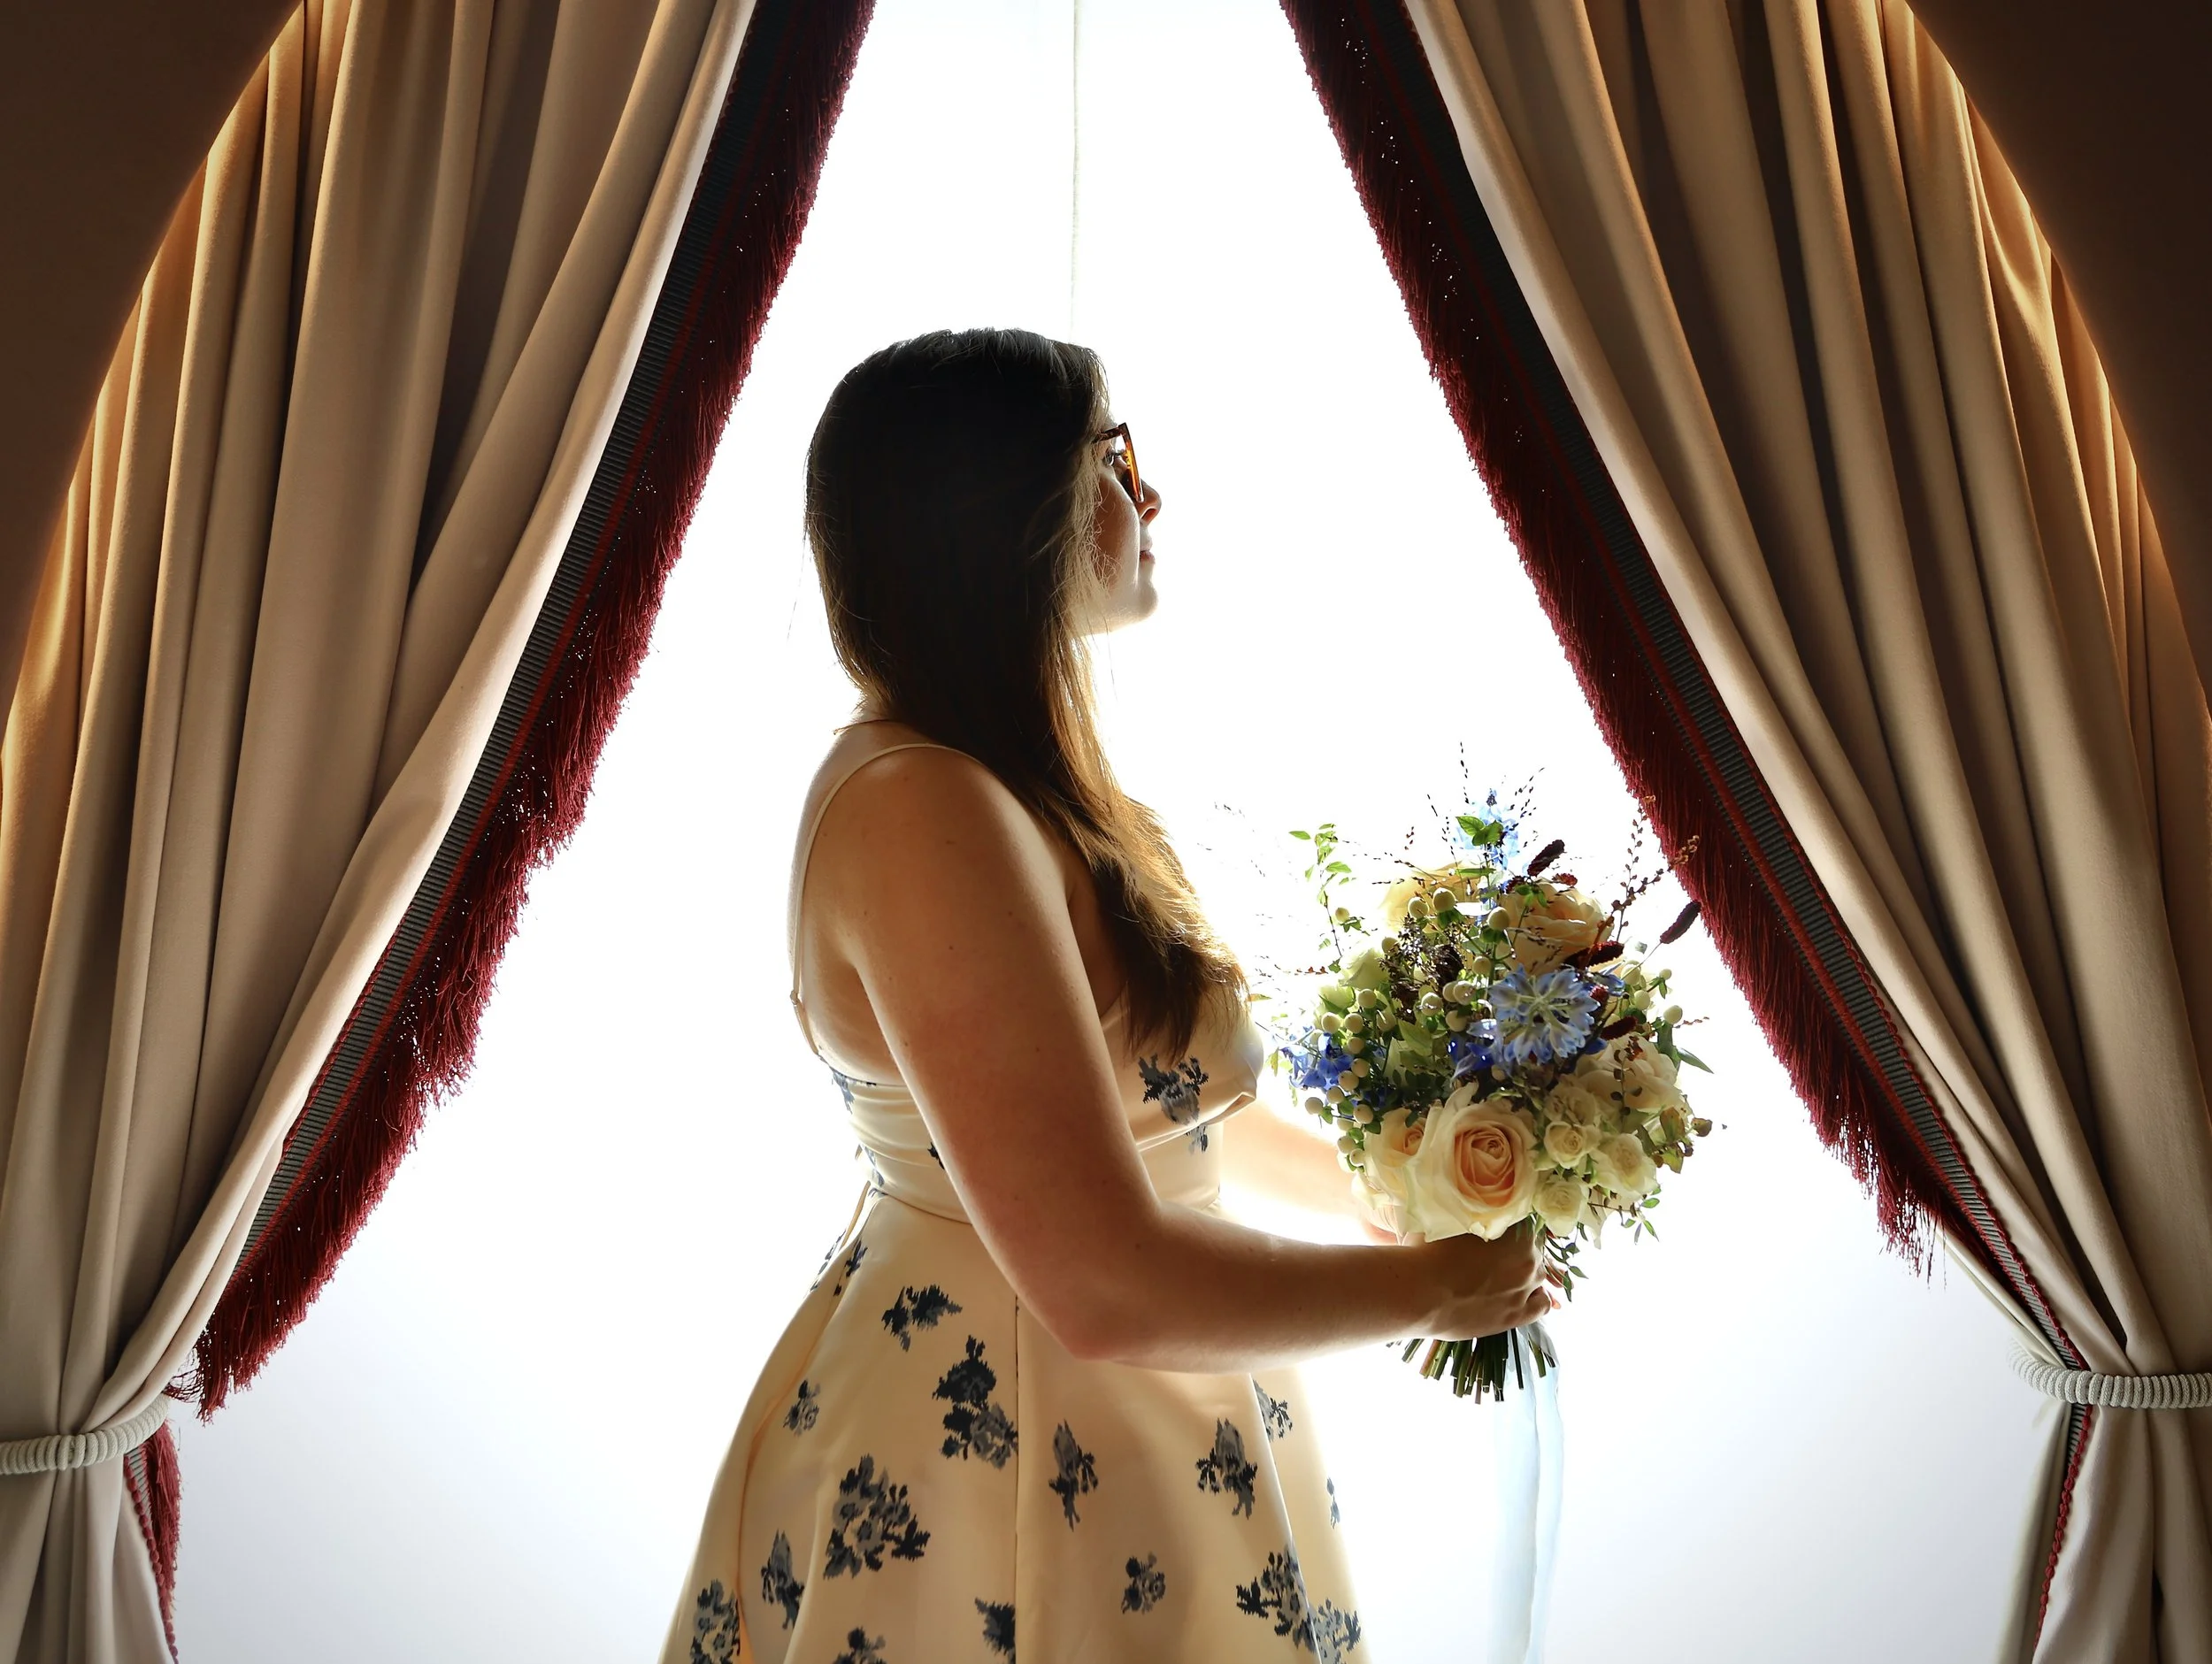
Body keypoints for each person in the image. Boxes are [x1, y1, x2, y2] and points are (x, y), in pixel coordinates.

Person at [663, 328, 1549, 1664]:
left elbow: (1171, 1123)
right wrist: (1429, 1294)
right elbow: (1100, 1282)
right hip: (1002, 1442)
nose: (1148, 496)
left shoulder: (1023, 783)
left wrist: (1415, 1194)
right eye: (1110, 457)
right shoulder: (922, 809)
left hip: (1142, 1424)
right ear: (1001, 514)